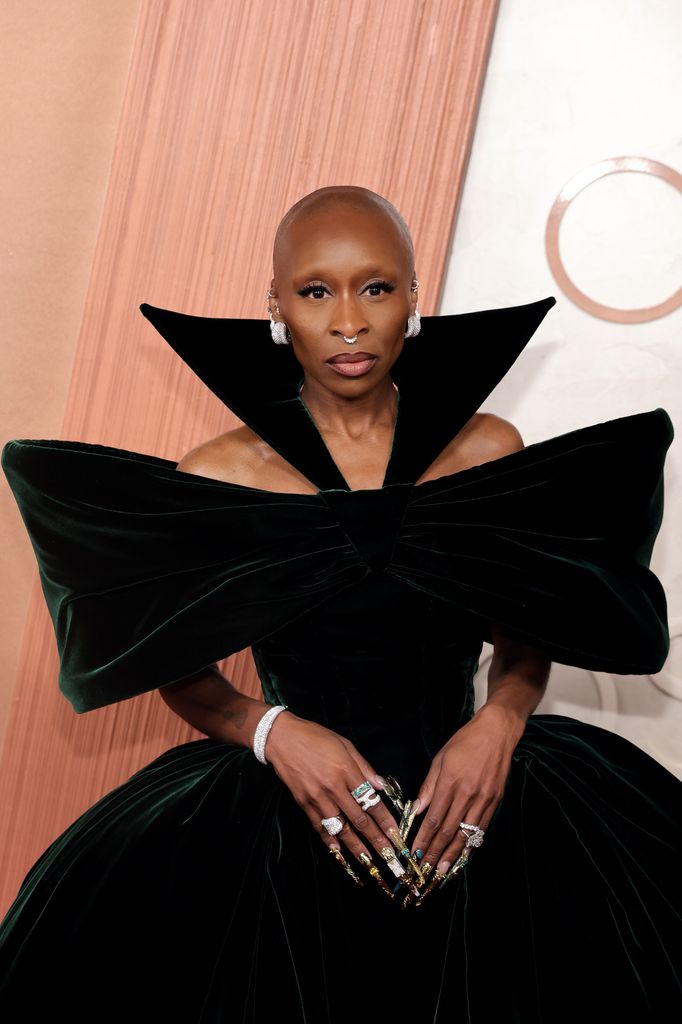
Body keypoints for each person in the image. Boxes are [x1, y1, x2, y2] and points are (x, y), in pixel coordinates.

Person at [0, 185, 679, 1023]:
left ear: (415, 300)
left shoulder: (488, 451)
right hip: (280, 815)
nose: (348, 321)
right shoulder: (222, 476)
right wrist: (271, 731)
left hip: (473, 801)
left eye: (377, 287)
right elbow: (180, 670)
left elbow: (523, 637)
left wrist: (499, 725)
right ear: (277, 307)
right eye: (316, 291)